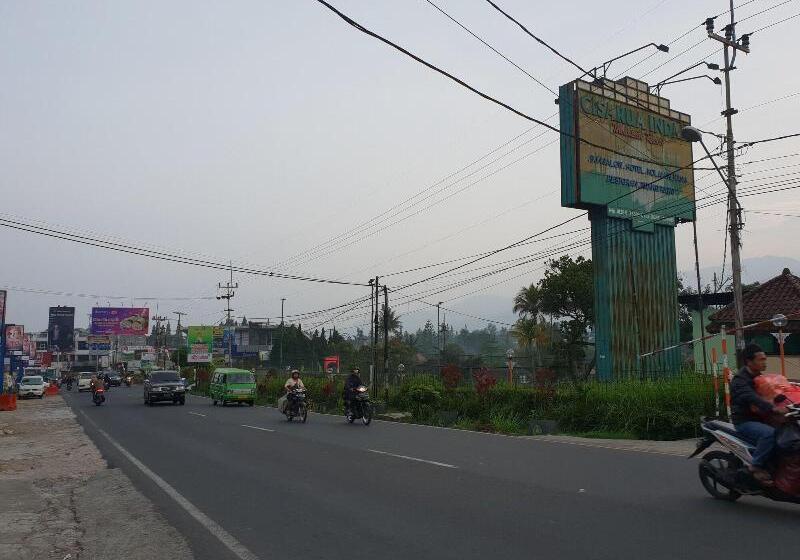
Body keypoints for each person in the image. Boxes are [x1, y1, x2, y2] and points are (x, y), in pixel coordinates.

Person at [731, 343, 780, 485]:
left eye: (765, 359)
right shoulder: (740, 380)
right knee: (769, 434)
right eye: (761, 359)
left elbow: (775, 391)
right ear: (749, 361)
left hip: (761, 418)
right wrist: (772, 408)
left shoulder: (759, 377)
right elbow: (752, 397)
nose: (764, 362)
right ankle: (756, 466)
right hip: (744, 421)